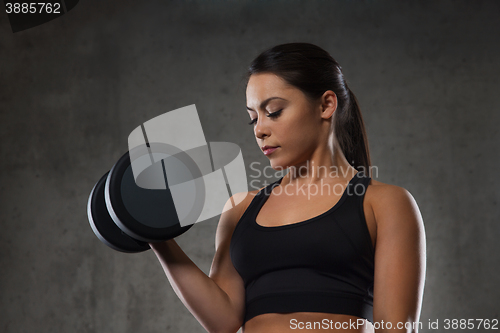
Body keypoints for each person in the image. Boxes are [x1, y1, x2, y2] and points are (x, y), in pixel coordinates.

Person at [149, 42, 426, 333]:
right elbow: (223, 320)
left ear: (326, 105)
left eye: (274, 112)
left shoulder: (383, 203)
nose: (259, 129)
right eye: (253, 118)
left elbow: (396, 328)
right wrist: (157, 237)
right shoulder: (240, 209)